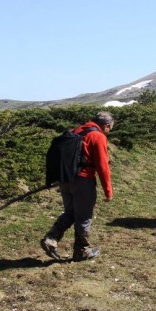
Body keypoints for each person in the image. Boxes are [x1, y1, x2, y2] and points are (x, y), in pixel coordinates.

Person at [41, 111, 114, 261]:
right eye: (110, 128)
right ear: (106, 125)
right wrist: (108, 191)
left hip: (65, 179)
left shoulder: (77, 130)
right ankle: (82, 251)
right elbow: (102, 166)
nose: (109, 131)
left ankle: (51, 238)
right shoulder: (98, 136)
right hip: (83, 181)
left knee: (71, 212)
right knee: (84, 216)